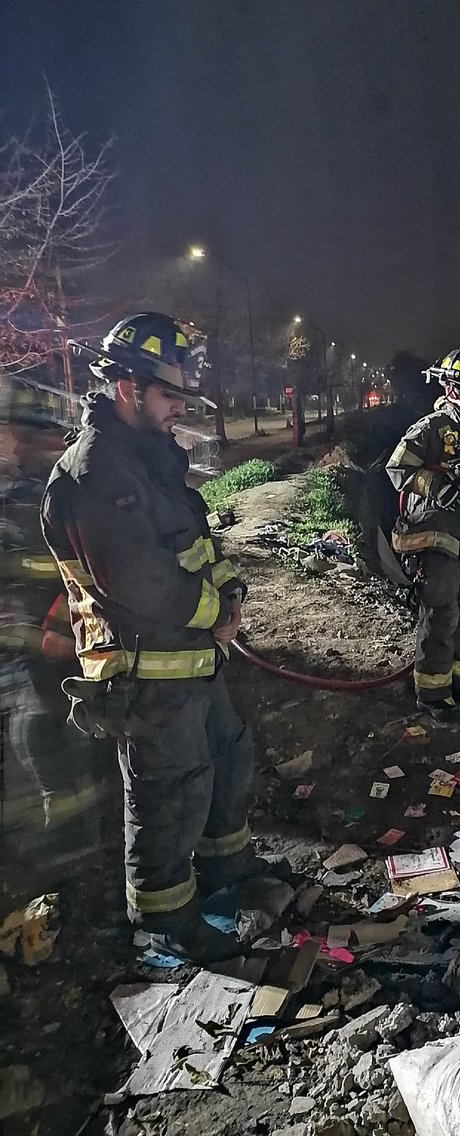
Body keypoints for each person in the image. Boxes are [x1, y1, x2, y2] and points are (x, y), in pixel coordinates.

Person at [41, 313, 277, 963]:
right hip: (145, 669)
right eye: (169, 396)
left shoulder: (149, 461)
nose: (179, 410)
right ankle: (165, 920)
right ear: (127, 388)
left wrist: (230, 593)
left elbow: (197, 546)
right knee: (167, 792)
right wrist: (215, 616)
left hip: (192, 657)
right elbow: (142, 583)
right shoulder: (96, 473)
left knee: (225, 759)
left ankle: (228, 872)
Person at [0, 376, 104, 874]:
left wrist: (55, 634)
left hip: (59, 653)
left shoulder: (63, 492)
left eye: (21, 432)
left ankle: (75, 848)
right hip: (30, 653)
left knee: (50, 738)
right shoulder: (18, 493)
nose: (15, 443)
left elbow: (83, 572)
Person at [386, 345, 460, 717]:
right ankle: (433, 693)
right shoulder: (431, 428)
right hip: (432, 535)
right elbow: (397, 469)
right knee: (442, 612)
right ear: (452, 389)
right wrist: (436, 486)